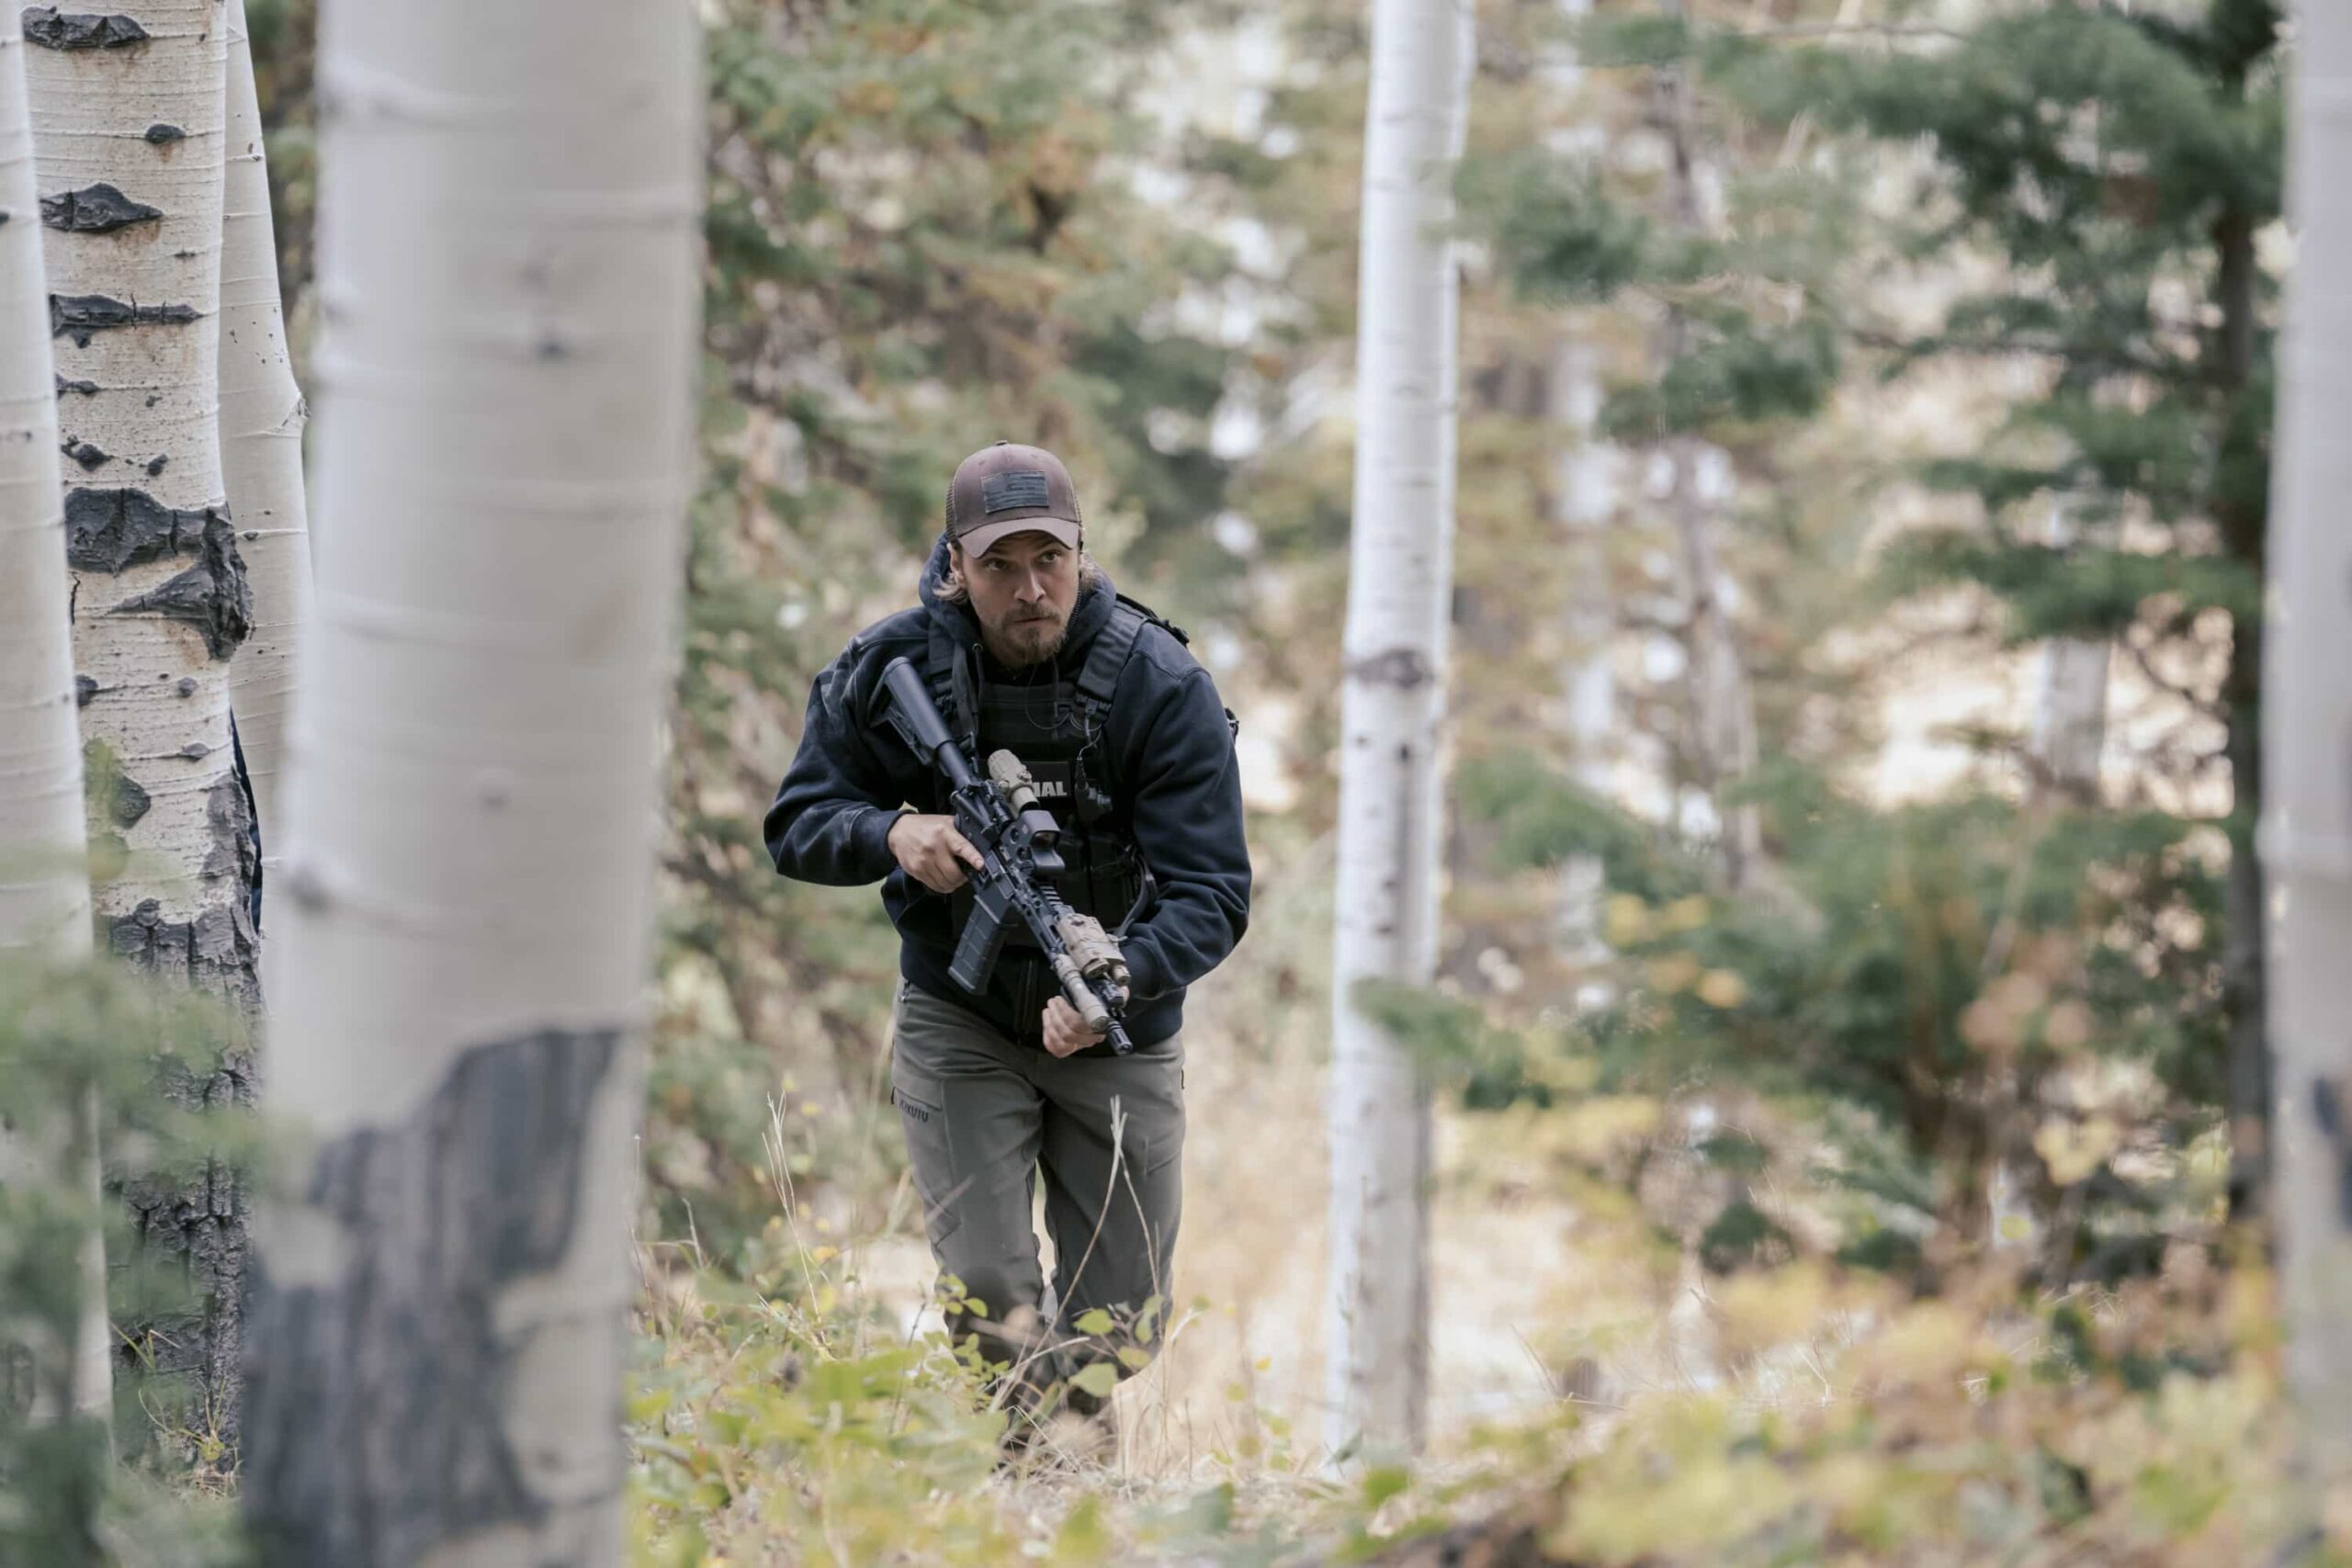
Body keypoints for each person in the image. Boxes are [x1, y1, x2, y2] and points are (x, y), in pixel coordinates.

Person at [763, 440, 1250, 1456]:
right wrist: (892, 832)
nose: (1031, 589)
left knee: (1119, 1326)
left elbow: (1213, 893)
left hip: (1117, 1026)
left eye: (1050, 561)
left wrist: (1121, 972)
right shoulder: (884, 670)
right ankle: (1037, 1492)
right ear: (954, 565)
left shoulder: (1161, 686)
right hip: (961, 1015)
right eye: (999, 566)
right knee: (991, 1298)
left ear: (1081, 552)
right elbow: (798, 823)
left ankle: (1069, 1450)